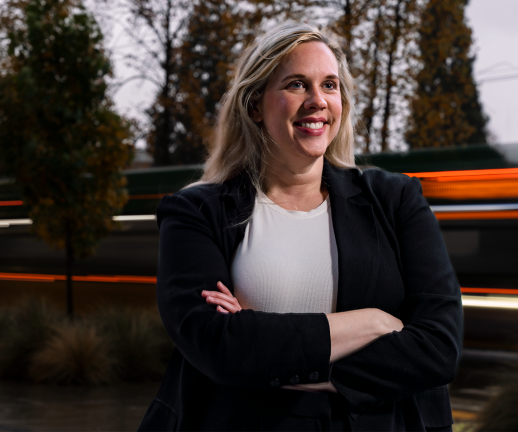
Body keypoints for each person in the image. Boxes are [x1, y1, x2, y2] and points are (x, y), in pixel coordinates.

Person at [138, 22, 463, 432]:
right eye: (296, 84)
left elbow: (439, 346)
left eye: (329, 85)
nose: (317, 101)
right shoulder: (196, 212)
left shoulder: (396, 200)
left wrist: (273, 355)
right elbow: (220, 346)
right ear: (254, 106)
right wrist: (374, 323)